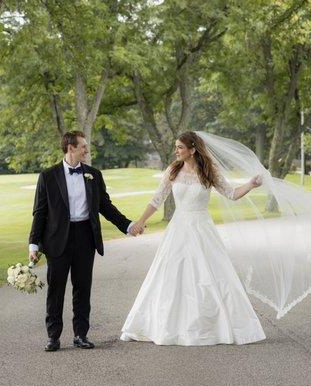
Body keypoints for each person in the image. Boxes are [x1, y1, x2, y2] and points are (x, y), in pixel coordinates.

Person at [120, 131, 266, 346]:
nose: (176, 151)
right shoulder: (173, 170)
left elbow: (231, 194)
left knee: (210, 274)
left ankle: (215, 325)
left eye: (179, 147)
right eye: (176, 147)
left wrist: (251, 185)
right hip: (178, 228)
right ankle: (162, 325)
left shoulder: (209, 171)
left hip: (202, 228)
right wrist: (140, 221)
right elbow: (157, 199)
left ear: (192, 149)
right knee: (169, 275)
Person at [29, 131, 143, 352]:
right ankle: (53, 337)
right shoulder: (48, 176)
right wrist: (34, 245)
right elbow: (39, 213)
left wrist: (128, 225)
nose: (86, 150)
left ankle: (81, 335)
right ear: (70, 148)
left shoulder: (93, 175)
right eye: (82, 146)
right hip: (57, 241)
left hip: (85, 238)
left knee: (83, 288)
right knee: (56, 290)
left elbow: (105, 206)